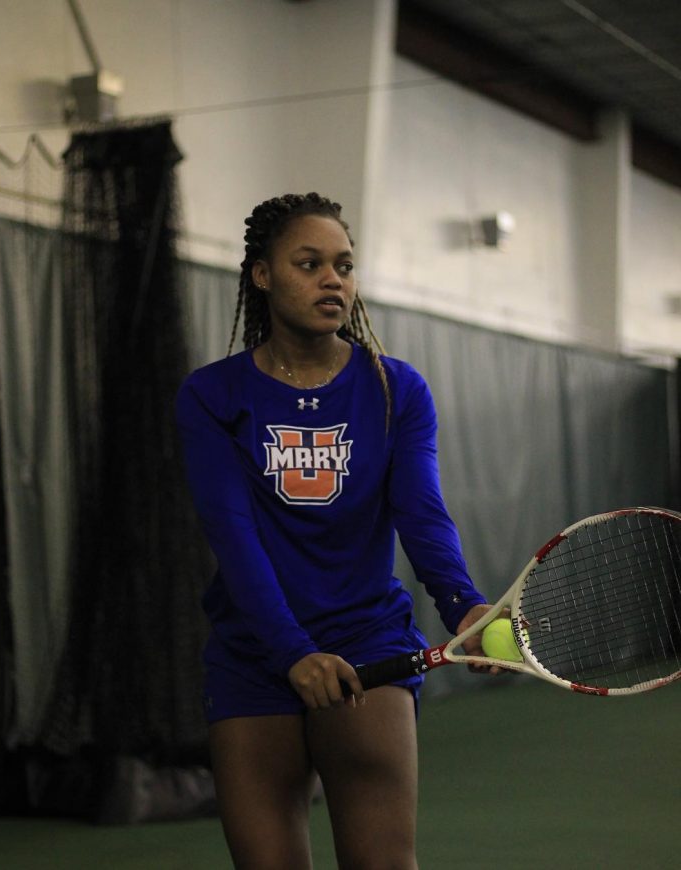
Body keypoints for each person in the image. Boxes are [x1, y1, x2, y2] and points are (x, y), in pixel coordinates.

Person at [176, 192, 497, 869]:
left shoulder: (396, 390)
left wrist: (462, 602)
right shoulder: (211, 396)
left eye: (345, 266)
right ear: (262, 275)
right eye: (310, 263)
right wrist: (292, 651)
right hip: (255, 655)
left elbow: (422, 513)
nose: (334, 280)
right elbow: (233, 533)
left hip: (368, 647)